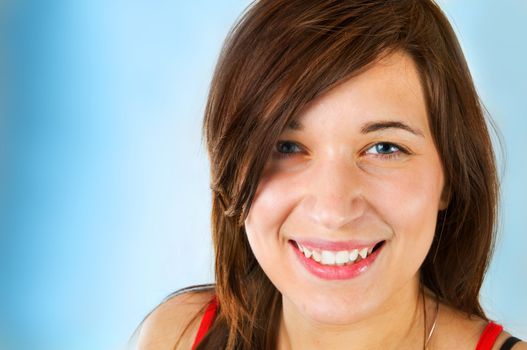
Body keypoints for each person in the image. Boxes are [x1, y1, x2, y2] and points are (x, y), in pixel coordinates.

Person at [134, 0, 525, 349]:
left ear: (450, 176)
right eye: (286, 147)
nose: (334, 210)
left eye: (384, 149)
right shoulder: (178, 336)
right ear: (233, 171)